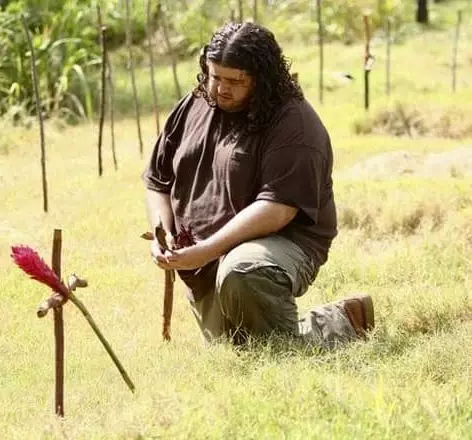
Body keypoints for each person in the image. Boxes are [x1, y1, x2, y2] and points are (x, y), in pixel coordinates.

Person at [142, 21, 374, 348]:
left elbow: (277, 209)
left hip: (280, 241)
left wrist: (208, 250)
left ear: (262, 79)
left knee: (243, 274)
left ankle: (336, 327)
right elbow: (157, 181)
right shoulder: (193, 104)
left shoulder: (294, 122)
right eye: (214, 76)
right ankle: (346, 319)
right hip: (203, 255)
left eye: (235, 81)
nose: (221, 88)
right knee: (241, 350)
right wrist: (161, 236)